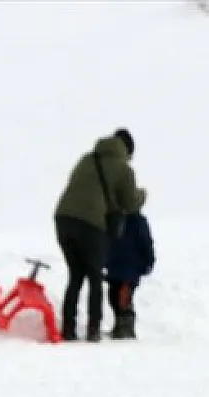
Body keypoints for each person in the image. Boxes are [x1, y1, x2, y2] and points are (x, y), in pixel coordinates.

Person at [53, 129, 143, 342]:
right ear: (127, 150)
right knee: (94, 276)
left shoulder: (87, 158)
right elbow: (129, 204)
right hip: (90, 225)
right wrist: (142, 195)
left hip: (63, 219)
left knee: (75, 275)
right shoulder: (124, 169)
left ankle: (68, 327)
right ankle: (93, 329)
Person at [104, 190, 155, 340]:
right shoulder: (114, 220)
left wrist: (148, 261)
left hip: (130, 268)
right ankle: (120, 325)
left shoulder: (138, 221)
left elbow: (146, 243)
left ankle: (126, 327)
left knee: (123, 297)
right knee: (113, 296)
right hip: (115, 267)